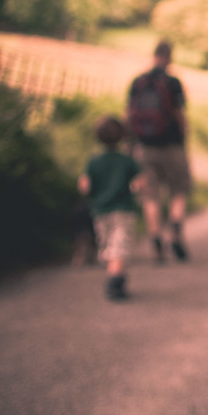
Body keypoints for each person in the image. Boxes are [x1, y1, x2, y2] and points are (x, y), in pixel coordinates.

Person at [127, 40, 192, 263]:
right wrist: (184, 141)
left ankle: (155, 239)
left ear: (153, 55)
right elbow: (179, 115)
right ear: (170, 56)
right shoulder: (173, 83)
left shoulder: (138, 82)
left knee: (150, 196)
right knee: (179, 190)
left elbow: (128, 115)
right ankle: (175, 225)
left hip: (144, 146)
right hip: (172, 145)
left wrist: (130, 145)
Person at [78, 116, 144, 300]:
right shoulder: (127, 161)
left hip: (100, 211)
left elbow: (84, 186)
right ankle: (115, 281)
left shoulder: (93, 161)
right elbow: (140, 184)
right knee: (119, 246)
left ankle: (115, 276)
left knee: (108, 245)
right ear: (122, 136)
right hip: (123, 210)